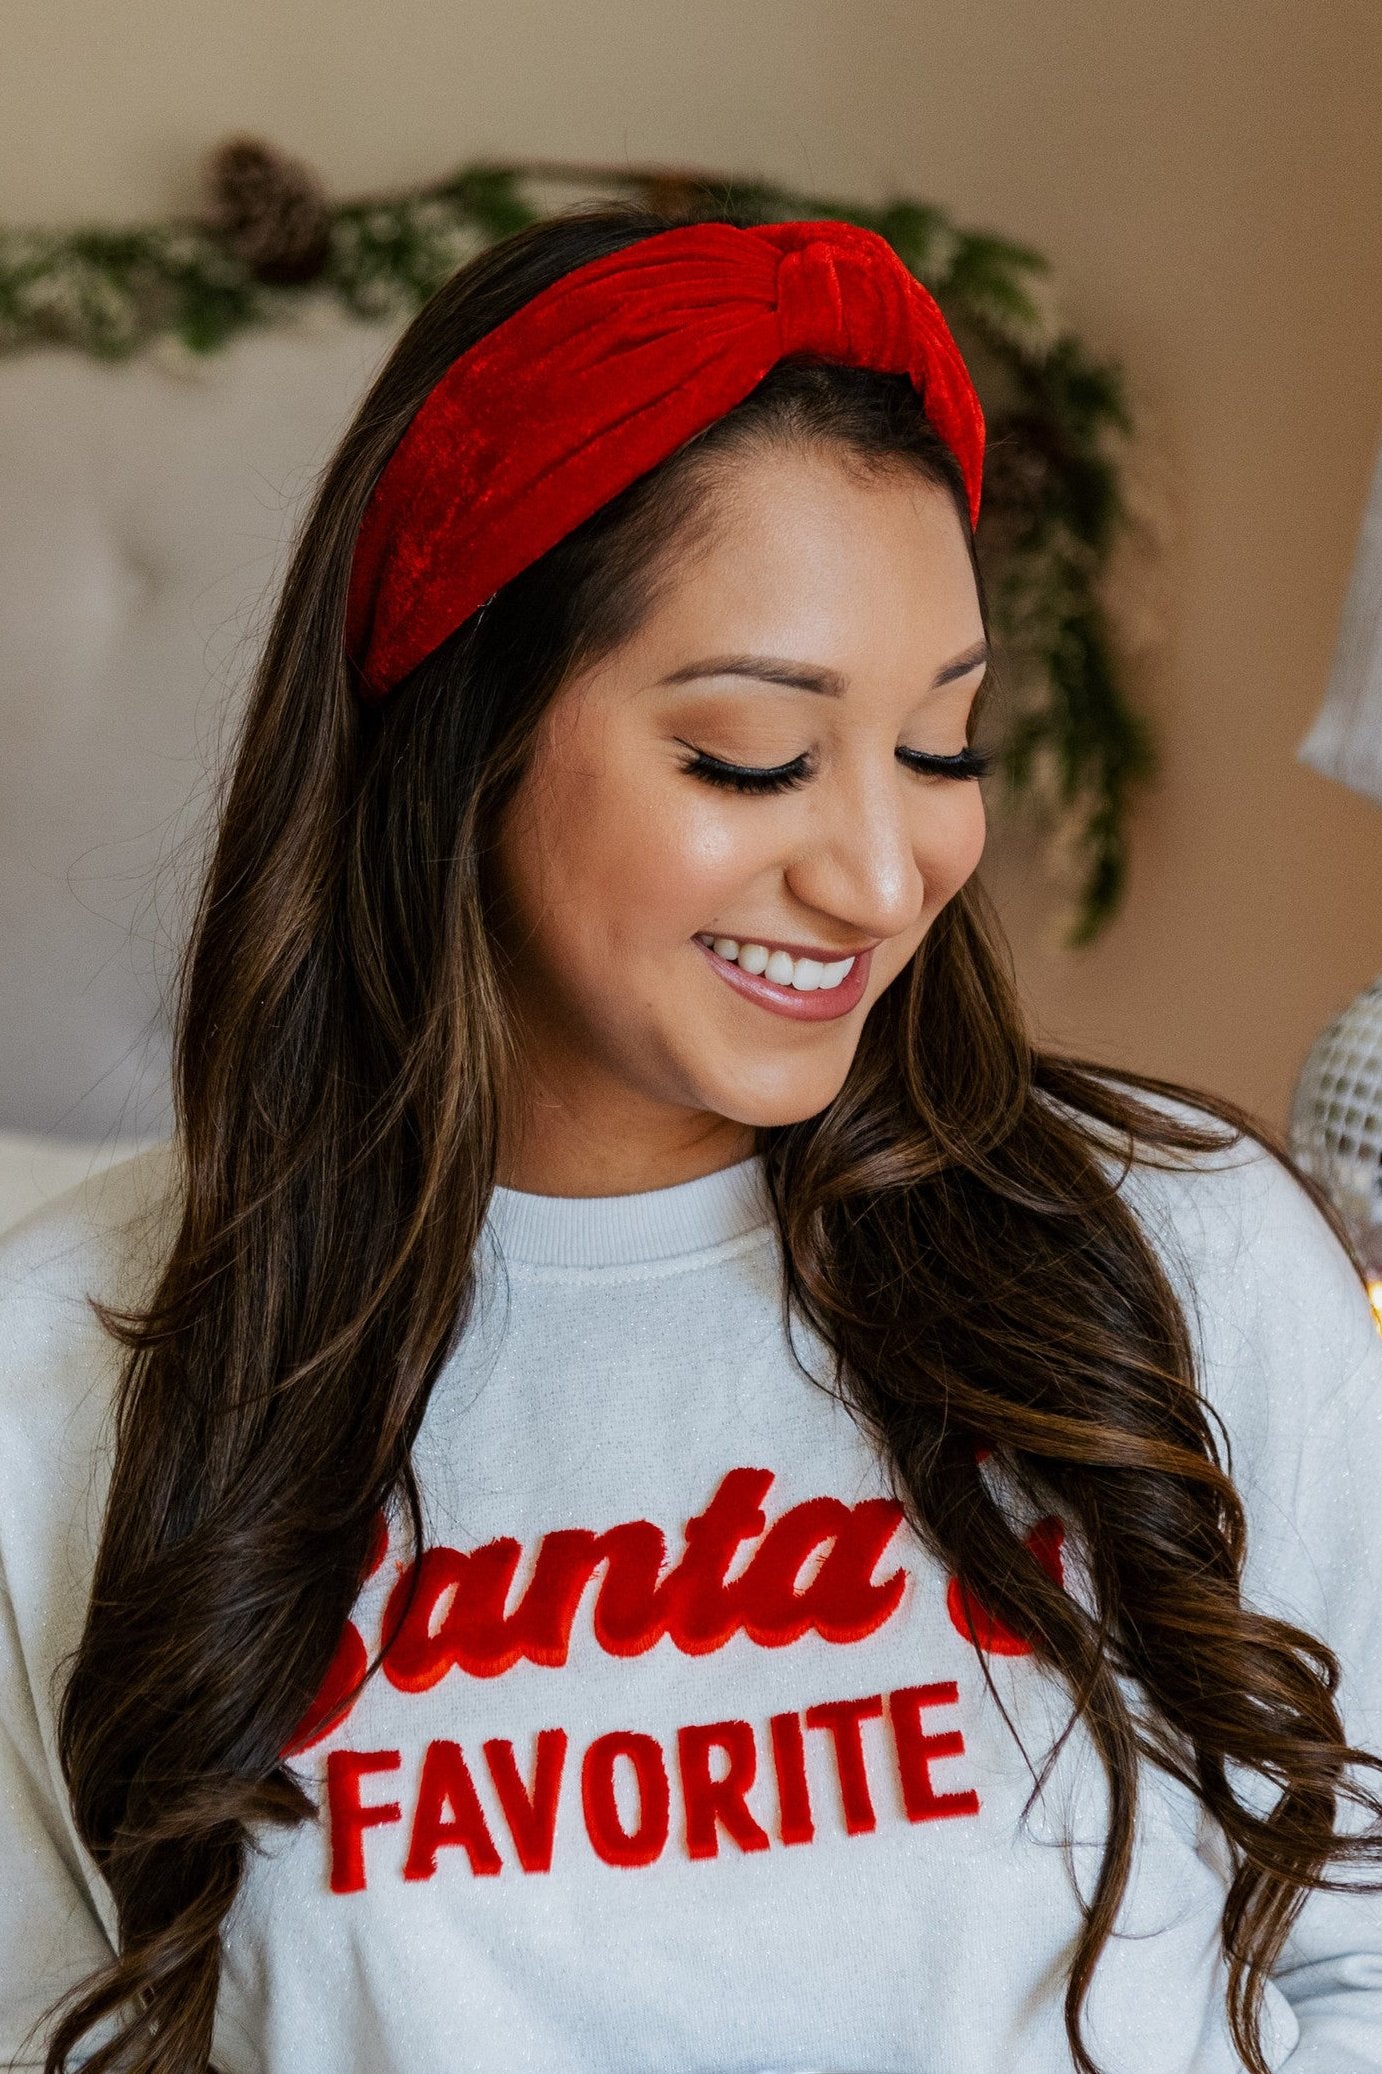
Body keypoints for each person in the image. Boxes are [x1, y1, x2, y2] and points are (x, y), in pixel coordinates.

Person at [2, 206, 1380, 2074]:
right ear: (461, 724)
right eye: (751, 755)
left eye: (943, 743)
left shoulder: (1182, 1257)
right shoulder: (69, 1366)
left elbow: (1355, 1965)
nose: (884, 872)